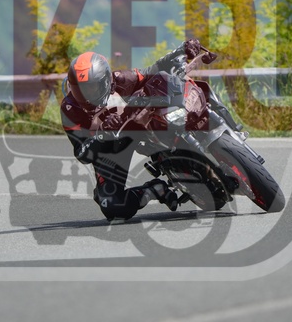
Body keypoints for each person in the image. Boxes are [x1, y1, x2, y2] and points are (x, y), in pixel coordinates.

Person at [60, 39, 204, 220]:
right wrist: (102, 133)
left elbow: (152, 71)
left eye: (92, 88)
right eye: (79, 89)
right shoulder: (70, 109)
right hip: (109, 148)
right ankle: (154, 190)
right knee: (111, 206)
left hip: (138, 124)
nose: (85, 96)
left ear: (105, 81)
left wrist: (180, 51)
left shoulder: (120, 79)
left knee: (164, 91)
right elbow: (82, 153)